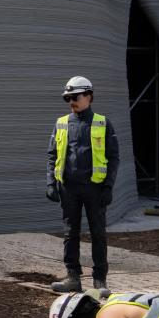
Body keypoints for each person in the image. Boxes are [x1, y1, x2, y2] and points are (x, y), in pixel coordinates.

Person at [46, 75, 119, 292]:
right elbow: (52, 155)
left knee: (98, 233)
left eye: (75, 96)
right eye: (68, 98)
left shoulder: (102, 123)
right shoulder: (62, 123)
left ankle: (99, 281)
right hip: (69, 188)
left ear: (89, 96)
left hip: (95, 189)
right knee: (70, 233)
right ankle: (73, 278)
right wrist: (51, 183)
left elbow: (113, 157)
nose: (71, 102)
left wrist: (108, 187)